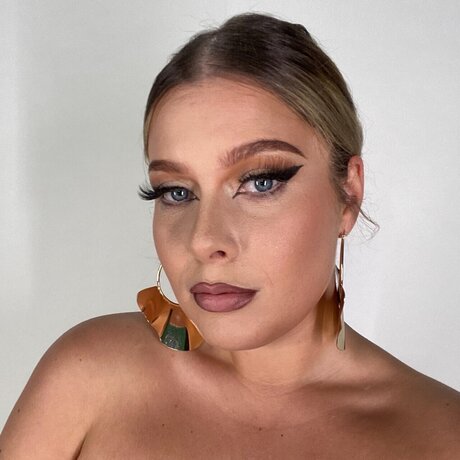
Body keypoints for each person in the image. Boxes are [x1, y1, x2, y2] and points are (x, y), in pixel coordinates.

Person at [1, 12, 459, 459]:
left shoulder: (441, 439)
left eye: (261, 182)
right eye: (176, 191)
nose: (203, 240)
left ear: (348, 195)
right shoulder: (89, 375)